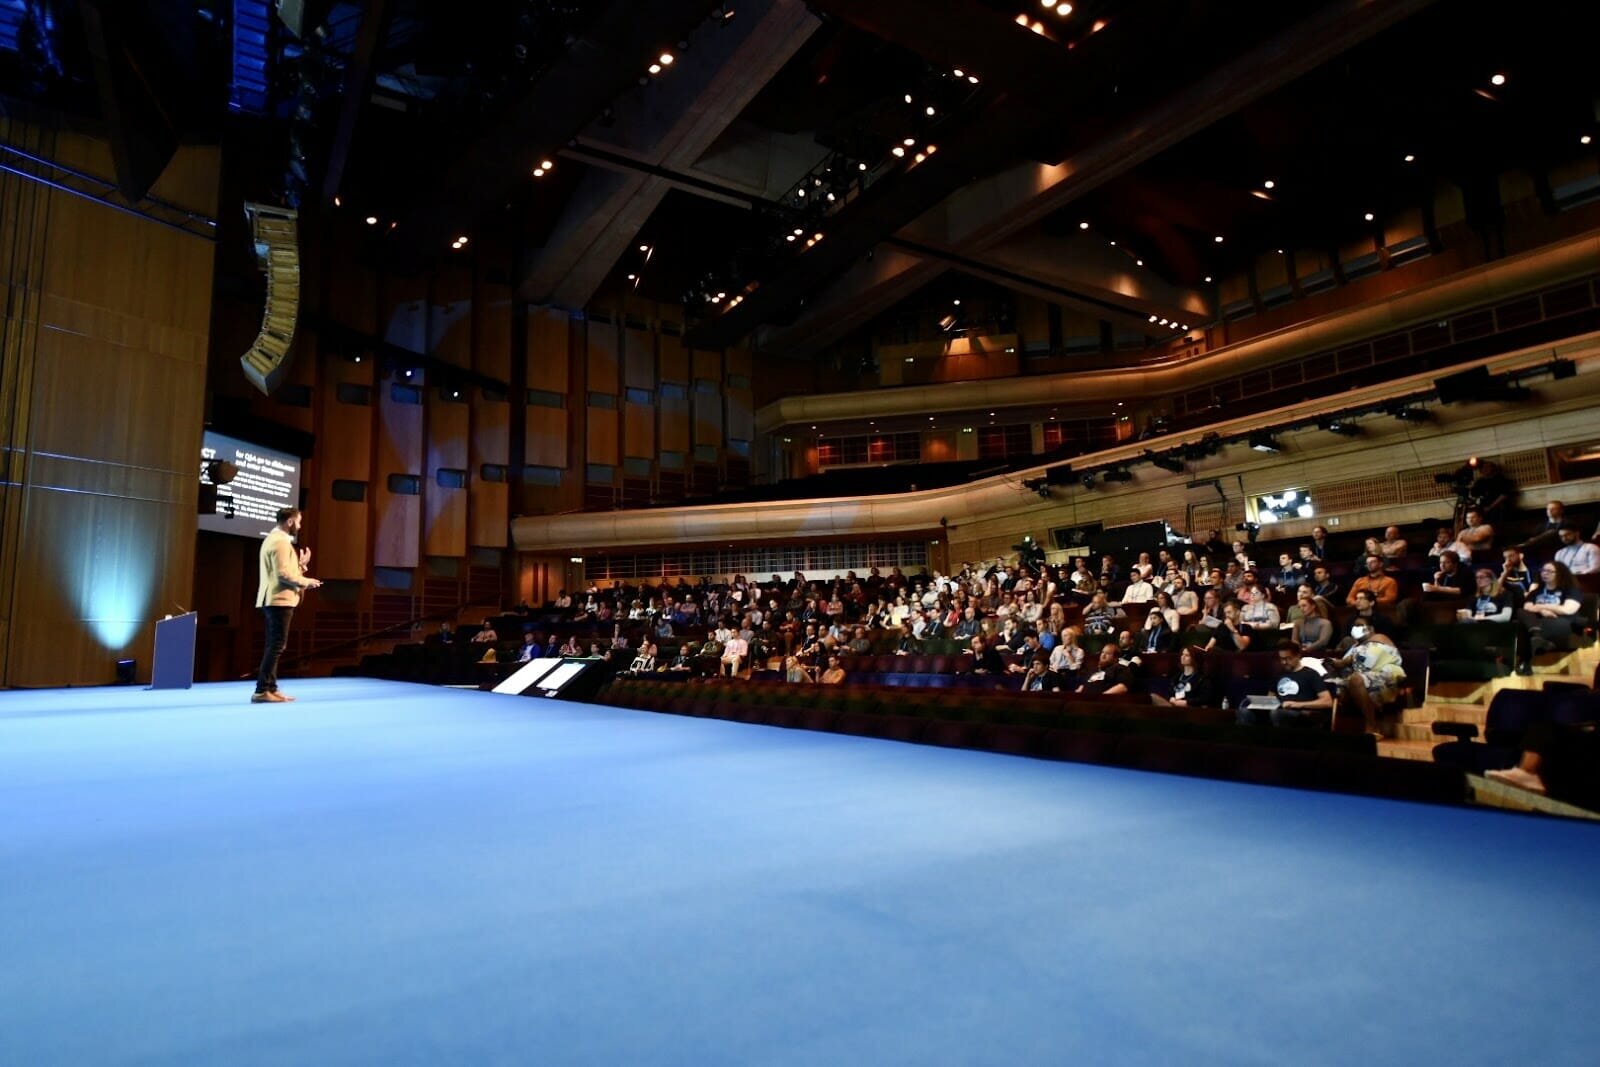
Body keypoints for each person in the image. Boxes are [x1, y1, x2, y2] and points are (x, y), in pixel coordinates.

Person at [253, 506, 322, 704]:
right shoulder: (280, 543)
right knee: (276, 646)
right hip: (278, 600)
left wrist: (300, 566)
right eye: (298, 522)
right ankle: (262, 690)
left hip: (275, 599)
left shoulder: (275, 540)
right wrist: (307, 580)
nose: (299, 526)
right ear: (290, 522)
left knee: (275, 645)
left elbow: (285, 570)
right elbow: (282, 575)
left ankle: (271, 689)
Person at [1327, 627, 1406, 737]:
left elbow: (1367, 662)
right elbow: (1346, 663)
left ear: (1371, 629)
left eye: (1361, 626)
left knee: (1356, 679)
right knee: (1329, 683)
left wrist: (1345, 662)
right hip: (1355, 673)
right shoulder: (1355, 646)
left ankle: (1372, 726)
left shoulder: (1379, 638)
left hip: (1384, 672)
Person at [1517, 561, 1585, 673]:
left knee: (1523, 629)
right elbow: (1527, 607)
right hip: (1538, 622)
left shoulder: (1571, 590)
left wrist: (1539, 606)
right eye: (1543, 570)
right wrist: (1543, 611)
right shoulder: (1536, 592)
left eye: (1549, 571)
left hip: (1562, 622)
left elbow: (1567, 610)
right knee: (1520, 612)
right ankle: (1536, 637)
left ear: (1560, 573)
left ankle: (1526, 661)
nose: (1545, 573)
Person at [1264, 640, 1333, 728]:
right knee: (1245, 712)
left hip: (1302, 714)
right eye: (1282, 659)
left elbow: (1327, 702)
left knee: (1278, 714)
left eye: (1288, 658)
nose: (1284, 662)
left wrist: (1296, 704)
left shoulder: (1310, 674)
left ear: (1298, 656)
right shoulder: (1279, 674)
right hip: (1280, 710)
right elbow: (1270, 698)